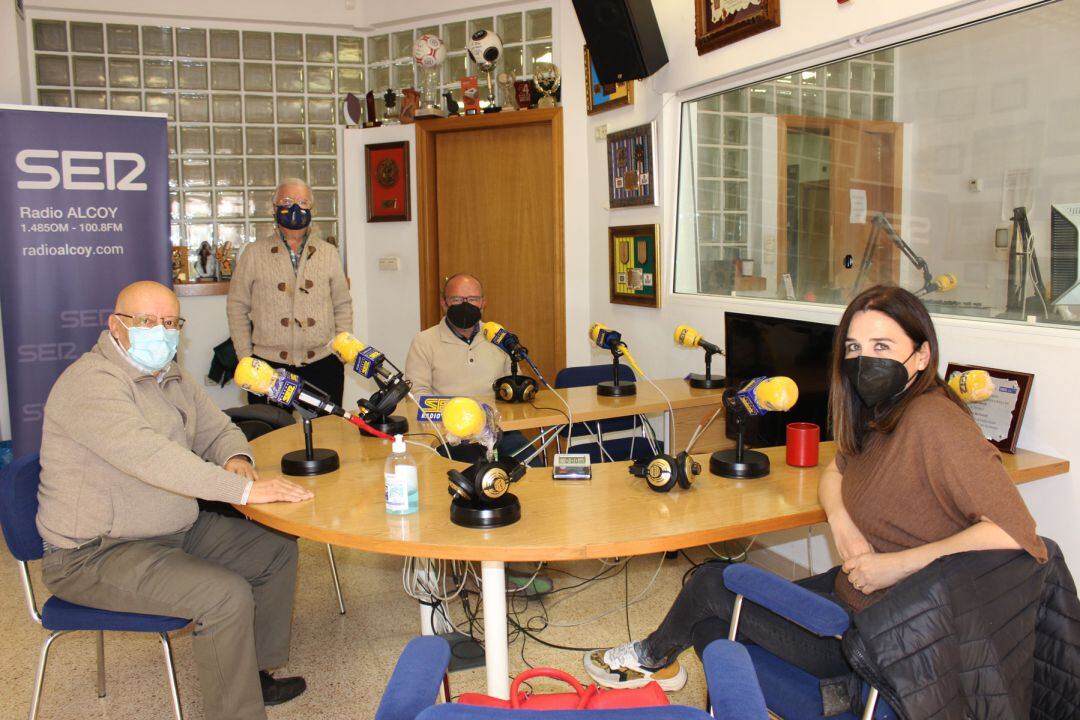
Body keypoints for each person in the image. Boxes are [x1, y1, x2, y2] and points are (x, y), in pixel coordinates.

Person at [584, 285, 1046, 704]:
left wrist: (894, 566)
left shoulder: (935, 420)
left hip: (875, 636)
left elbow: (1016, 531)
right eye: (854, 348)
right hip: (848, 594)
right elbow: (835, 471)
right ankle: (672, 664)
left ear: (922, 356)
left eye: (882, 347)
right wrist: (843, 527)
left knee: (709, 582)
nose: (865, 361)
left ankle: (652, 657)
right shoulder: (884, 411)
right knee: (707, 625)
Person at [37, 281, 316, 720]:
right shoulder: (90, 383)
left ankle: (252, 676)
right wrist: (242, 490)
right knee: (224, 596)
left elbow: (216, 427)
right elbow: (151, 456)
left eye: (170, 323)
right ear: (116, 325)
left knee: (274, 549)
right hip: (94, 553)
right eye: (147, 322)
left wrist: (237, 458)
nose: (161, 332)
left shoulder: (170, 373)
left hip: (171, 528)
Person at [405, 273, 549, 593]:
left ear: (484, 303)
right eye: (457, 300)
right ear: (444, 303)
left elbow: (514, 392)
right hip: (450, 438)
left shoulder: (499, 340)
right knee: (473, 474)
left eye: (472, 300)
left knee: (531, 462)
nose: (465, 306)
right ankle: (468, 561)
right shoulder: (425, 342)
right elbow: (416, 398)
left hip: (496, 433)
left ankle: (521, 556)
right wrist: (460, 417)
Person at [228, 178, 353, 405]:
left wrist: (341, 351)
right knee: (270, 434)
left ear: (311, 209)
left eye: (303, 202)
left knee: (325, 435)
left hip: (323, 363)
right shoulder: (253, 254)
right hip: (267, 366)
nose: (296, 207)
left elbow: (342, 304)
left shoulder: (329, 253)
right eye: (287, 201)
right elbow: (236, 307)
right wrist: (246, 357)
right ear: (274, 209)